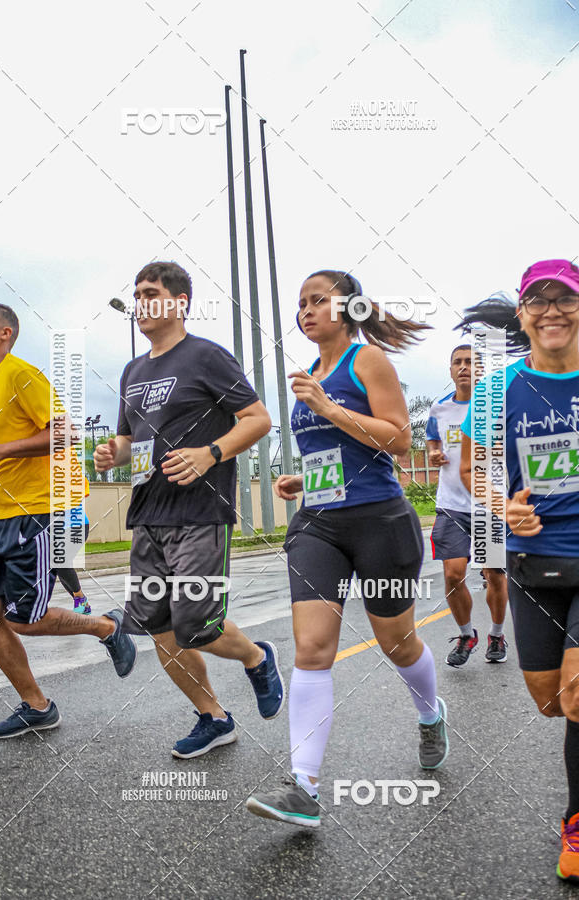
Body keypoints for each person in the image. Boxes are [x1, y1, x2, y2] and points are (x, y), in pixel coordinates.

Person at [246, 270, 448, 829]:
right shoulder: (311, 371)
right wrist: (303, 482)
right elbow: (334, 457)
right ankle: (304, 788)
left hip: (380, 522)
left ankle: (430, 714)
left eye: (318, 301)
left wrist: (331, 408)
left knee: (397, 644)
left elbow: (399, 438)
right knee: (312, 648)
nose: (305, 312)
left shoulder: (368, 361)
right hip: (319, 525)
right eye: (300, 304)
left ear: (348, 309)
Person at [94, 261, 284, 759]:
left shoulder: (206, 357)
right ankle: (213, 718)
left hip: (200, 513)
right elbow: (127, 439)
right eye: (136, 293)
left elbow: (258, 418)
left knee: (196, 624)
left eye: (151, 292)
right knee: (156, 625)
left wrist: (211, 453)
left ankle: (258, 657)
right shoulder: (133, 370)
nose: (140, 302)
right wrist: (110, 453)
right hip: (147, 515)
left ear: (179, 302)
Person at [458, 260, 579, 882]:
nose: (553, 310)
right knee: (550, 698)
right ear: (524, 314)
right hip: (535, 560)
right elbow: (474, 467)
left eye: (566, 299)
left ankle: (577, 823)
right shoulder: (497, 389)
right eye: (540, 300)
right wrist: (499, 503)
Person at [0, 302, 137, 738]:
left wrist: (0, 451)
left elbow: (66, 432)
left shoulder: (21, 375)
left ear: (5, 332)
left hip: (36, 512)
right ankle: (38, 706)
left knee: (22, 619)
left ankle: (106, 625)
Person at [426, 345, 508, 666]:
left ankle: (497, 635)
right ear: (450, 371)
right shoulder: (438, 410)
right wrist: (434, 453)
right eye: (457, 362)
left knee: (495, 574)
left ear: (481, 370)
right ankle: (466, 634)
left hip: (489, 502)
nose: (464, 367)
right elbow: (432, 443)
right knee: (452, 575)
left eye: (471, 362)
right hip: (451, 505)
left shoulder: (497, 409)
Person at [54, 477, 91, 614]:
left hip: (77, 526)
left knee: (61, 562)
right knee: (58, 565)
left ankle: (80, 598)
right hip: (59, 529)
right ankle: (81, 602)